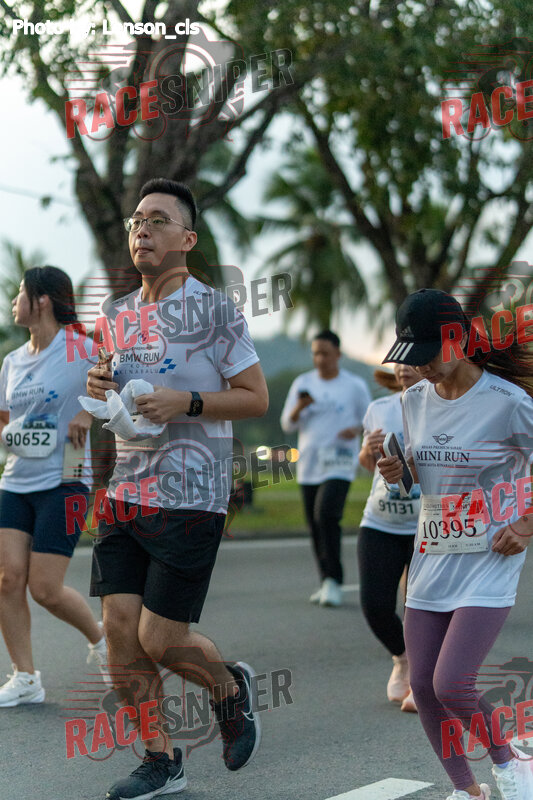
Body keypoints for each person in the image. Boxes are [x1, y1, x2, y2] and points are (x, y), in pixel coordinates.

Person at [86, 178, 269, 800]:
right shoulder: (115, 314)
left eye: (158, 220)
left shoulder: (215, 311)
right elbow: (116, 392)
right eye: (137, 219)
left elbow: (254, 397)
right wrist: (103, 385)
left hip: (192, 495)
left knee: (160, 640)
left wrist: (185, 401)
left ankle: (229, 688)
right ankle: (161, 760)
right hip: (125, 492)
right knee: (119, 631)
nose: (142, 228)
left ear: (187, 240)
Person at [378, 288, 533, 800]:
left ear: (458, 341)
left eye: (427, 355)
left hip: (490, 556)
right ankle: (468, 791)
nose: (418, 368)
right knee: (423, 687)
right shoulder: (412, 401)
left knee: (452, 683)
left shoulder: (509, 404)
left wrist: (526, 524)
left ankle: (512, 767)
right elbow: (422, 477)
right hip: (433, 554)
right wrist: (397, 472)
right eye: (411, 357)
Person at [0, 266, 107, 707]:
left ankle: (101, 639)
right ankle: (25, 677)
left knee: (44, 589)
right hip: (15, 481)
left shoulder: (81, 348)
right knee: (7, 579)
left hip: (65, 479)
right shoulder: (12, 361)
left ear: (42, 300)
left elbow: (113, 385)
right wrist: (12, 435)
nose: (14, 301)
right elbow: (4, 418)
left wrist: (86, 413)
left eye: (20, 293)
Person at [281, 331, 371, 606]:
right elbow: (287, 424)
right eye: (316, 353)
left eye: (325, 353)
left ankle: (334, 580)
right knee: (314, 524)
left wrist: (356, 429)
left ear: (338, 354)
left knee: (326, 515)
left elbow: (371, 420)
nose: (320, 359)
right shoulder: (303, 383)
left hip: (340, 463)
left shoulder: (354, 386)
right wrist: (300, 406)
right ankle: (325, 580)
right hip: (310, 465)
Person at [358, 363, 421, 713]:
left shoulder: (444, 406)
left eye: (411, 361)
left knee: (419, 608)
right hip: (380, 520)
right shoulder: (378, 409)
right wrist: (368, 450)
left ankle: (422, 678)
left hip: (427, 524)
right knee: (375, 605)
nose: (403, 369)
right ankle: (402, 658)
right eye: (398, 362)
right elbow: (369, 465)